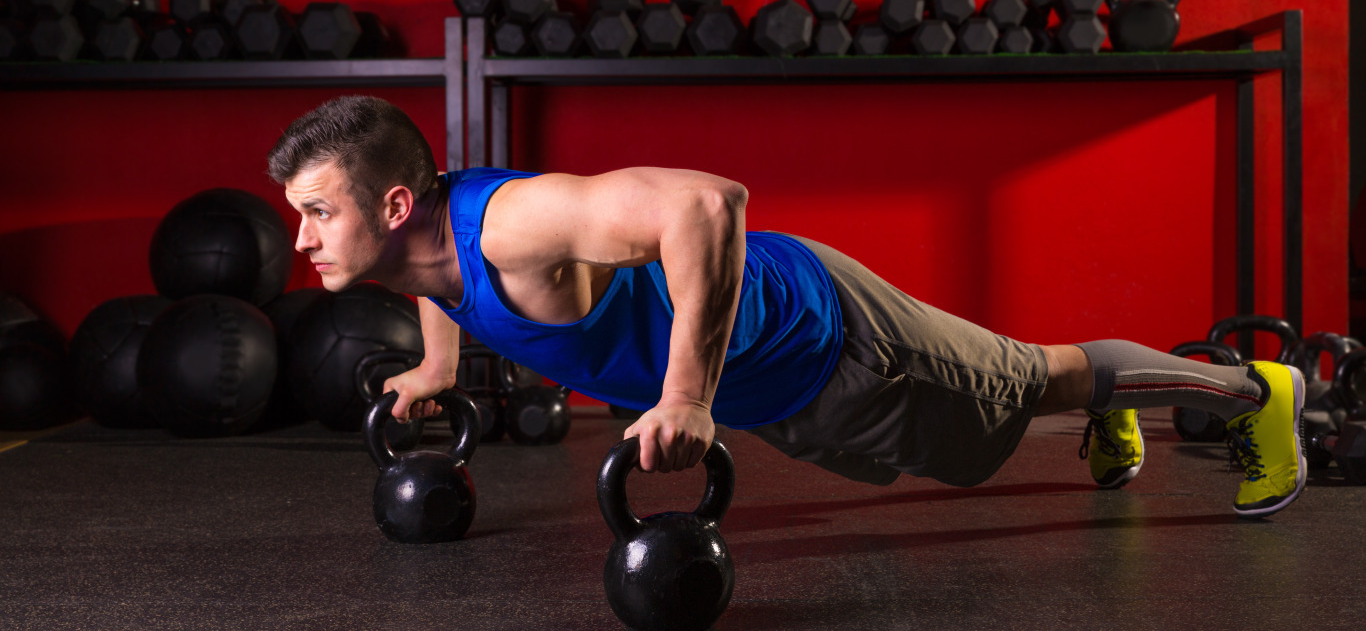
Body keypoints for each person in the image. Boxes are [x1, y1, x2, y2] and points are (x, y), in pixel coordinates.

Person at [267, 95, 1307, 519]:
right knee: (998, 415)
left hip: (833, 337)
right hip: (785, 383)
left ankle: (1252, 388)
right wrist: (438, 368)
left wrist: (682, 394)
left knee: (1042, 376)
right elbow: (436, 280)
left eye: (318, 212)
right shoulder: (425, 243)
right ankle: (1109, 405)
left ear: (393, 203)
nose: (302, 237)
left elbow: (708, 204)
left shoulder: (517, 224)